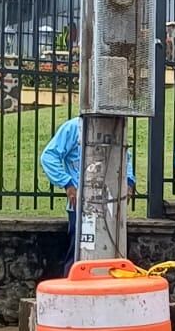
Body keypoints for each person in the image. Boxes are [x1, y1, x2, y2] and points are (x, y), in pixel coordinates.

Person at [40, 115, 136, 277]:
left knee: (113, 253)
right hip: (82, 205)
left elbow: (125, 156)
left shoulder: (115, 127)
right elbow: (49, 157)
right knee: (79, 253)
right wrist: (68, 184)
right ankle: (72, 293)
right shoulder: (73, 128)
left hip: (111, 203)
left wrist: (129, 182)